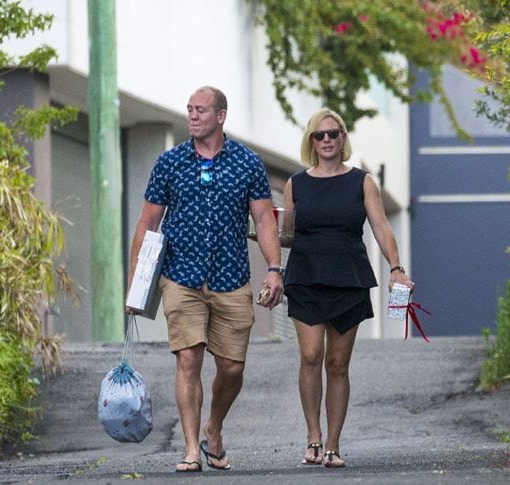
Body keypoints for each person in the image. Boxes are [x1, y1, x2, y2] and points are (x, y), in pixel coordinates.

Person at [126, 86, 284, 472]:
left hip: (231, 278)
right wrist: (135, 284)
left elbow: (264, 219)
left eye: (201, 110)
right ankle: (191, 448)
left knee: (232, 368)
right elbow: (148, 223)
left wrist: (276, 268)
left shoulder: (248, 163)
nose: (193, 116)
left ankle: (214, 427)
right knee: (188, 358)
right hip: (180, 276)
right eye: (190, 110)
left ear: (221, 116)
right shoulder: (170, 163)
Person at [282, 108, 414, 468]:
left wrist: (397, 268)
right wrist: (273, 268)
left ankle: (333, 445)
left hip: (348, 278)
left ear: (343, 138)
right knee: (310, 355)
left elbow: (382, 226)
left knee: (338, 364)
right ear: (310, 141)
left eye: (332, 134)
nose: (326, 140)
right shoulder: (296, 183)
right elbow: (287, 235)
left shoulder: (362, 182)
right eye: (319, 135)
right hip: (305, 276)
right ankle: (313, 436)